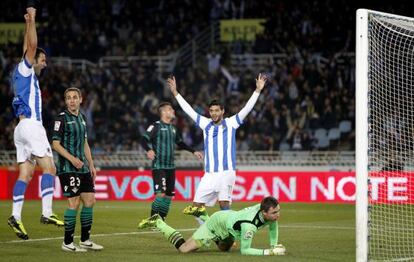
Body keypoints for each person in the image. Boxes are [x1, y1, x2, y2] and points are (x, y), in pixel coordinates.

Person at [166, 74, 266, 218]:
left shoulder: (231, 123)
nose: (213, 113)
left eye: (216, 111)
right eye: (211, 111)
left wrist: (257, 91)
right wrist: (176, 93)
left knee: (224, 204)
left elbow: (247, 109)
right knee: (196, 207)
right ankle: (209, 232)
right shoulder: (205, 123)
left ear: (222, 111)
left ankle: (228, 238)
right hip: (209, 174)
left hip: (226, 172)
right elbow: (189, 110)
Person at [8, 5, 64, 240]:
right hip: (32, 126)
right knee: (50, 168)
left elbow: (26, 47)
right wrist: (33, 19)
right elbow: (30, 47)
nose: (44, 63)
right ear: (34, 59)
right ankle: (47, 212)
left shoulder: (21, 72)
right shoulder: (27, 69)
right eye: (43, 60)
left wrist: (28, 24)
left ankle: (16, 217)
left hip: (20, 129)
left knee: (25, 175)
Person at [138, 196, 286, 256]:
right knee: (184, 250)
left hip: (229, 225)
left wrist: (274, 245)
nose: (277, 215)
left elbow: (273, 226)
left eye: (278, 211)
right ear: (264, 212)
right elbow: (245, 250)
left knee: (224, 248)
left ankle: (202, 213)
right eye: (274, 213)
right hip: (217, 224)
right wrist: (270, 252)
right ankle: (158, 222)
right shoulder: (249, 226)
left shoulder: (267, 211)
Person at [52, 87, 103, 252]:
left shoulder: (82, 118)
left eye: (74, 97)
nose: (71, 100)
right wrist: (73, 159)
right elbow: (55, 144)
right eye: (68, 98)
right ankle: (67, 242)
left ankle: (85, 240)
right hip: (68, 167)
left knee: (90, 201)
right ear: (66, 101)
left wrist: (92, 164)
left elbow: (85, 143)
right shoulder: (61, 119)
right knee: (73, 202)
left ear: (81, 99)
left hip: (83, 168)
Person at [139, 102, 203, 221]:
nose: (173, 111)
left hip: (171, 167)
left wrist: (193, 151)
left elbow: (180, 143)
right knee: (160, 194)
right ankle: (152, 221)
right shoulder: (156, 126)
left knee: (168, 197)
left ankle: (161, 221)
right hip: (159, 166)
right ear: (163, 112)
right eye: (170, 109)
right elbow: (143, 139)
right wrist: (148, 150)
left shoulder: (173, 128)